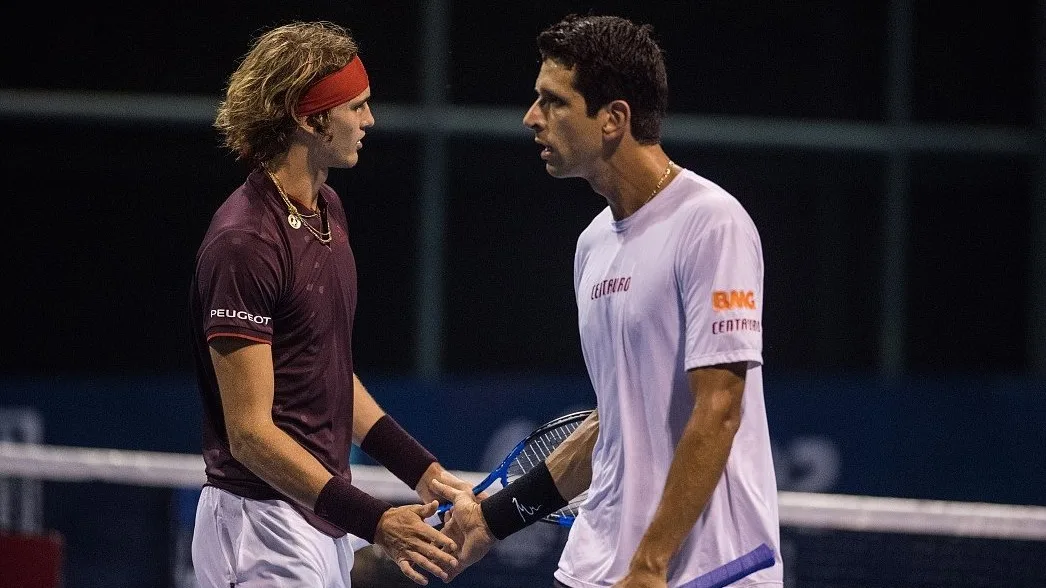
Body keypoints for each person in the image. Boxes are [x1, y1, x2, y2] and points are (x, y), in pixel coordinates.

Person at [430, 13, 782, 588]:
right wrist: (492, 520)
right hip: (597, 568)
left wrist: (650, 564)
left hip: (696, 573)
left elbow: (718, 408)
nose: (532, 118)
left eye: (554, 102)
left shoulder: (712, 224)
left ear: (614, 118)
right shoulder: (591, 246)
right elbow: (615, 426)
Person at [188, 20, 470, 587]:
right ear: (309, 117)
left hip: (318, 518)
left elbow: (329, 373)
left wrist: (423, 472)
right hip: (261, 524)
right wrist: (376, 521)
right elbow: (248, 433)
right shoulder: (245, 241)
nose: (370, 121)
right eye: (356, 107)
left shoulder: (328, 211)